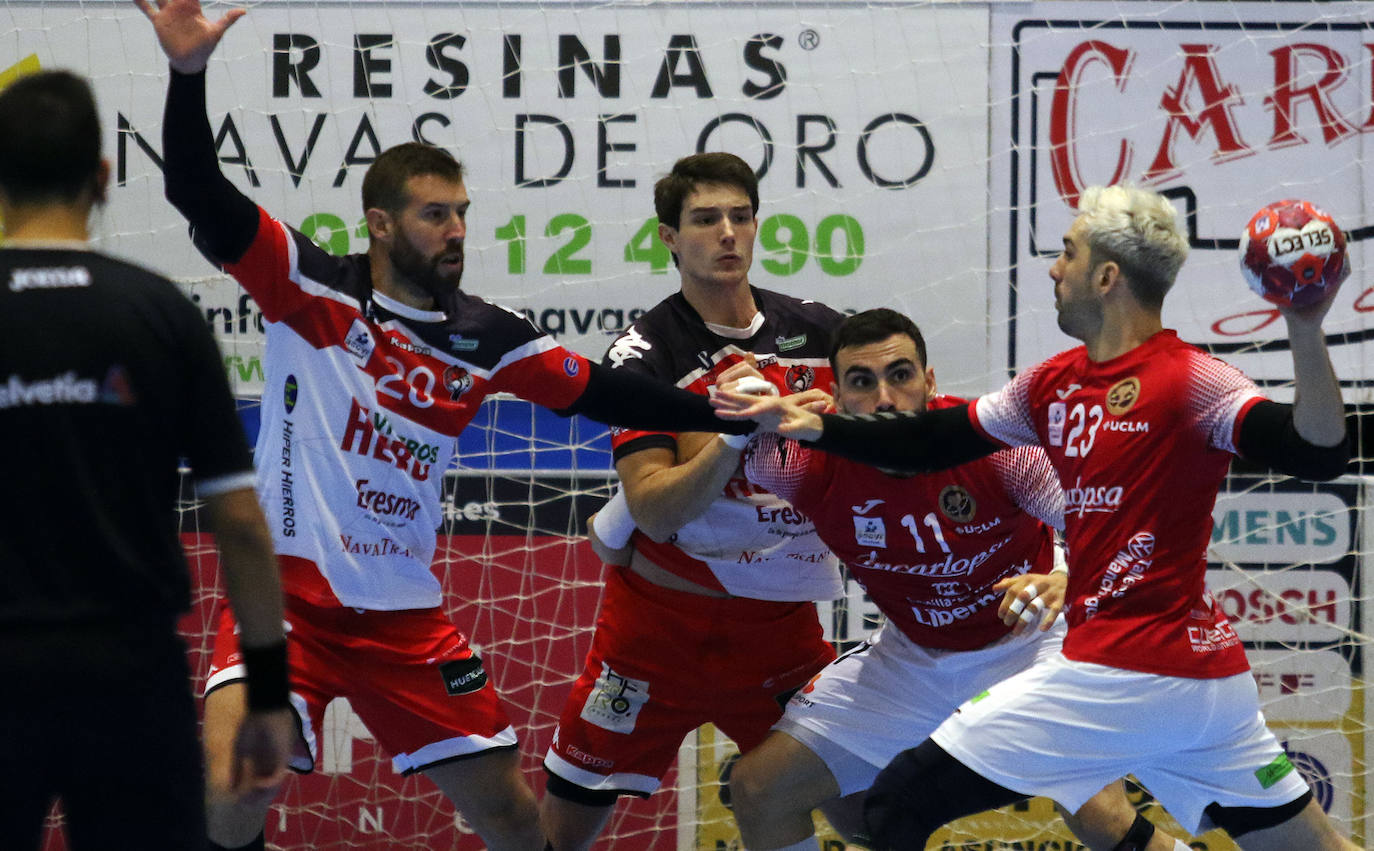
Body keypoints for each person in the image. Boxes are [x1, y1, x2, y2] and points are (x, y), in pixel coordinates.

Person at [136, 3, 759, 850]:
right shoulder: (305, 286)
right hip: (286, 604)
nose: (457, 229)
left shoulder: (488, 335)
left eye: (462, 211)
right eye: (435, 214)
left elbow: (612, 395)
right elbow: (193, 189)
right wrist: (186, 74)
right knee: (232, 790)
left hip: (405, 618)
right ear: (382, 223)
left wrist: (720, 409)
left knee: (509, 816)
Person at [714, 185, 1357, 850]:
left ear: (1107, 277)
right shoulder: (1053, 384)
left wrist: (1305, 326)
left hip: (1123, 668)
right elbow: (927, 440)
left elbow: (1316, 449)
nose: (1054, 267)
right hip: (1196, 680)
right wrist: (813, 426)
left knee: (900, 806)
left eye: (1068, 253)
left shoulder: (1192, 379)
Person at [723, 307, 1194, 851]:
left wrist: (1070, 583)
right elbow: (740, 441)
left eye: (899, 376)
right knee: (759, 788)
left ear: (929, 383)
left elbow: (1114, 529)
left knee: (1101, 815)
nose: (883, 398)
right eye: (861, 382)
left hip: (1033, 642)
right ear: (836, 399)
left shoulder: (994, 446)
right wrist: (740, 405)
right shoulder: (800, 464)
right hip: (914, 659)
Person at [0, 69, 293, 850]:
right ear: (102, 178)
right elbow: (239, 522)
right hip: (127, 677)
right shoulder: (163, 314)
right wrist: (268, 692)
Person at [539, 152, 846, 850]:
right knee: (562, 831)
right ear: (670, 237)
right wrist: (734, 438)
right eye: (706, 219)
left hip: (780, 630)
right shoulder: (642, 353)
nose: (728, 233)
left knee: (868, 804)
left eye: (740, 216)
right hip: (656, 634)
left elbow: (874, 436)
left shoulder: (821, 332)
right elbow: (655, 508)